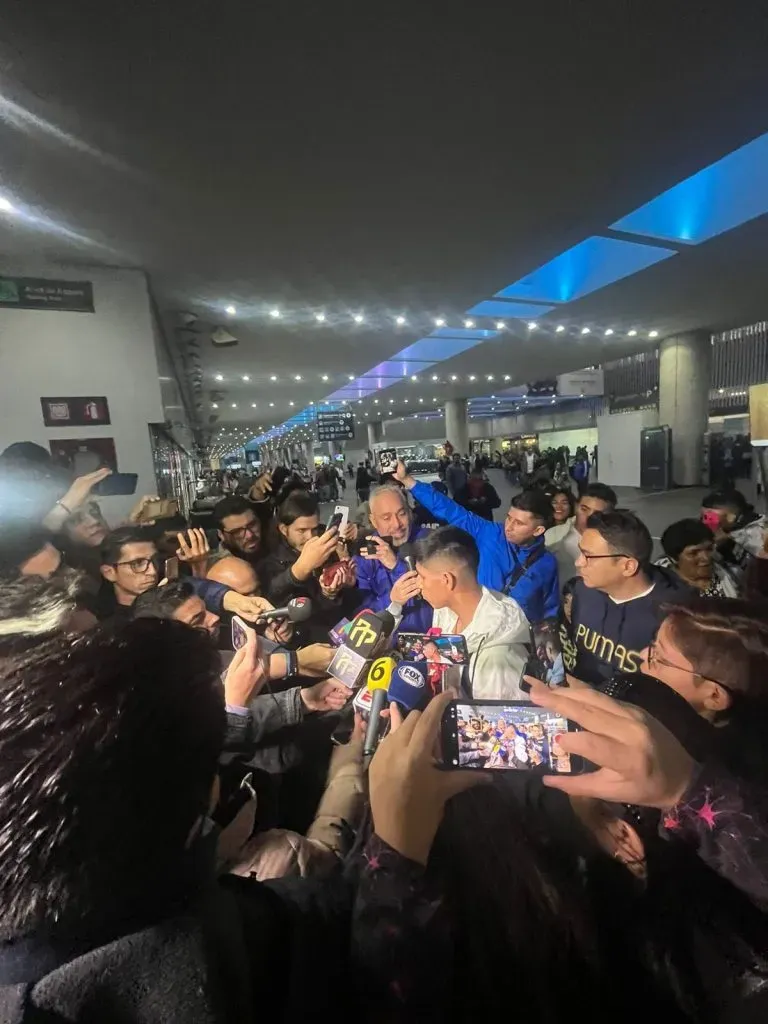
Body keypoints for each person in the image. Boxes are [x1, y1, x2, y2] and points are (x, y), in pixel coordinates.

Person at [0, 619, 356, 1020]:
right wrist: (361, 775)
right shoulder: (243, 938)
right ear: (205, 801)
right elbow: (372, 934)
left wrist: (295, 699)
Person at [394, 461, 559, 622]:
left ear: (538, 530)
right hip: (479, 627)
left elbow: (549, 609)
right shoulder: (491, 533)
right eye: (509, 518)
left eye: (519, 523)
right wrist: (407, 480)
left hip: (516, 639)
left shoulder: (547, 563)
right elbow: (449, 509)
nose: (509, 526)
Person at [640, 597, 768, 780]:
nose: (643, 654)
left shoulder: (697, 775)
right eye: (653, 645)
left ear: (714, 696)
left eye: (659, 658)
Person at [564, 510, 692, 686]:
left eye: (588, 556)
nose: (578, 562)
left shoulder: (676, 617)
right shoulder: (583, 589)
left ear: (628, 566)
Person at [410, 527, 529, 699]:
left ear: (447, 581)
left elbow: (500, 722)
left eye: (422, 576)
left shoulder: (497, 659)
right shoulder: (445, 612)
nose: (418, 584)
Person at [259, 490, 350, 639]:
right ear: (283, 529)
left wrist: (332, 593)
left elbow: (332, 606)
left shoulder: (328, 549)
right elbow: (271, 596)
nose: (310, 537)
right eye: (302, 530)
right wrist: (299, 570)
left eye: (314, 529)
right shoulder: (269, 563)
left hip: (337, 633)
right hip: (301, 644)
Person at [355, 483, 432, 635]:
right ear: (373, 520)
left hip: (429, 639)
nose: (397, 524)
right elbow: (362, 615)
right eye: (386, 518)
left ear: (409, 512)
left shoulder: (430, 541)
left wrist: (396, 566)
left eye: (401, 514)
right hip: (387, 645)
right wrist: (392, 601)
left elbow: (434, 597)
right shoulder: (365, 554)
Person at [546, 482, 617, 585]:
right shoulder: (552, 536)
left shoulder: (615, 543)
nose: (589, 517)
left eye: (597, 513)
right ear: (576, 507)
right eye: (584, 509)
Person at [656, 518, 739, 597]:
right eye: (694, 553)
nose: (706, 558)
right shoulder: (660, 588)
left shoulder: (732, 575)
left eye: (709, 549)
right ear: (673, 559)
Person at [700, 489, 768, 579]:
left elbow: (758, 574)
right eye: (702, 516)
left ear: (731, 518)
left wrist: (727, 545)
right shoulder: (729, 530)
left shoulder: (757, 537)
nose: (704, 522)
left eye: (709, 518)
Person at [98, 525, 159, 620]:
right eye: (138, 563)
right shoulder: (116, 629)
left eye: (155, 559)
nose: (153, 571)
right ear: (109, 573)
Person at [213, 495, 264, 566]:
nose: (249, 535)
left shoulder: (276, 543)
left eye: (252, 525)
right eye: (237, 531)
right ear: (221, 535)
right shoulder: (215, 569)